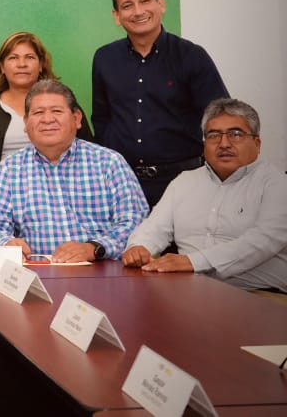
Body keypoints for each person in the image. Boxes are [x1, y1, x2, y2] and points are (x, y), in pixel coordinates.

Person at [123, 98, 287, 301]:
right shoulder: (184, 181)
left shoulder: (277, 184)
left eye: (235, 134)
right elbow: (155, 227)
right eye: (214, 135)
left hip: (258, 295)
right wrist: (139, 247)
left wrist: (193, 262)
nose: (224, 144)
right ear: (204, 143)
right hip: (187, 292)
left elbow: (263, 241)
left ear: (257, 143)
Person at [92, 0, 228, 208]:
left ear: (160, 4)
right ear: (117, 16)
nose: (138, 11)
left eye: (145, 1)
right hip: (123, 183)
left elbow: (219, 118)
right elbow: (102, 118)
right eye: (127, 5)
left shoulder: (192, 56)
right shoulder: (104, 58)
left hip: (184, 181)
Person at [0, 80, 149, 262]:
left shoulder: (109, 163)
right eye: (38, 112)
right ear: (26, 122)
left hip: (101, 270)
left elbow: (135, 222)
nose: (47, 119)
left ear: (77, 119)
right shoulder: (8, 170)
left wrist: (94, 247)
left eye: (57, 111)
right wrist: (6, 243)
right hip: (38, 272)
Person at [0, 31, 92, 179]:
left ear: (41, 65)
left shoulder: (63, 102)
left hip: (64, 184)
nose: (22, 64)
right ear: (2, 67)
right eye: (13, 58)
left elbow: (87, 148)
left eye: (30, 57)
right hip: (4, 187)